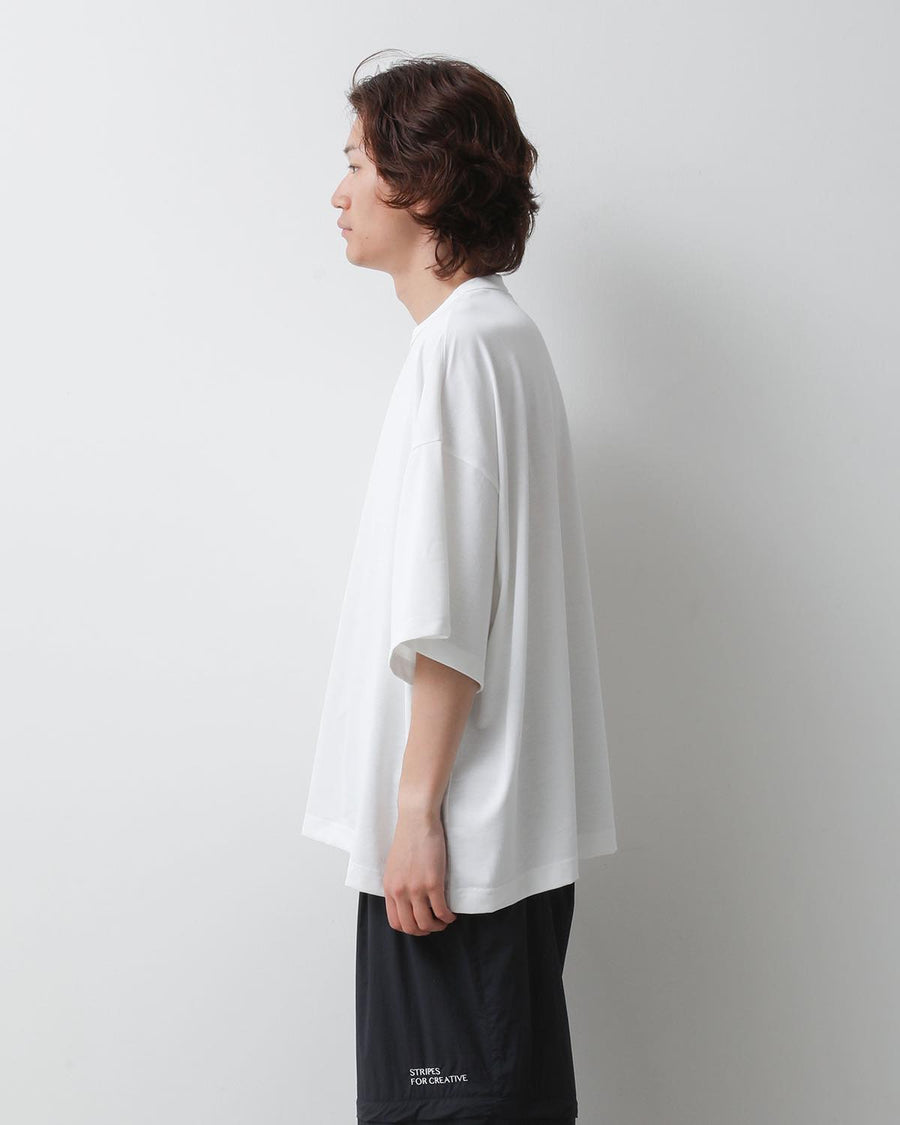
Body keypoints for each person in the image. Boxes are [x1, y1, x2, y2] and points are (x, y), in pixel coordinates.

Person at [302, 50, 617, 1125]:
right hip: (485, 848)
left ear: (424, 185)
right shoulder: (497, 337)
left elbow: (446, 617)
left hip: (455, 855)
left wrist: (414, 815)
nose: (338, 192)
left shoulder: (460, 351)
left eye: (357, 163)